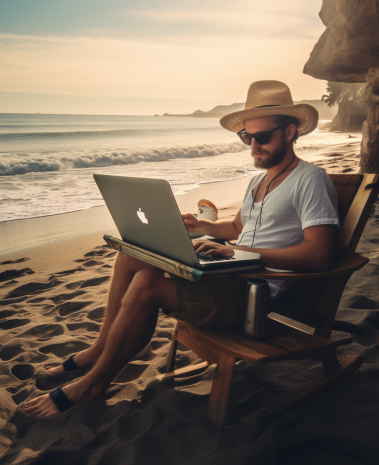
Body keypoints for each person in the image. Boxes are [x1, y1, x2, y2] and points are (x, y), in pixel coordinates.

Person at [23, 80, 339, 417]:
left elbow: (319, 254)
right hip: (230, 277)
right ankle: (98, 348)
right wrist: (199, 226)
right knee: (131, 252)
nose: (252, 146)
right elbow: (235, 229)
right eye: (246, 137)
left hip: (252, 296)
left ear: (290, 131)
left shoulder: (310, 179)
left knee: (147, 284)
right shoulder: (258, 181)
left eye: (261, 137)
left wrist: (238, 254)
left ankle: (93, 385)